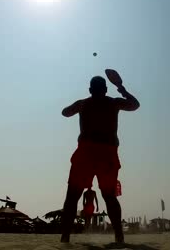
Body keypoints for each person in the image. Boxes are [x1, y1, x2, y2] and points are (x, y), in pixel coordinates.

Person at [60, 70, 140, 243]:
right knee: (109, 196)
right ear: (105, 89)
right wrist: (121, 88)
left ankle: (65, 237)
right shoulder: (114, 103)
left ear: (90, 90)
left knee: (72, 196)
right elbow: (135, 105)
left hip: (86, 153)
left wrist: (77, 105)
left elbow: (64, 112)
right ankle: (119, 235)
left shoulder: (83, 104)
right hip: (107, 154)